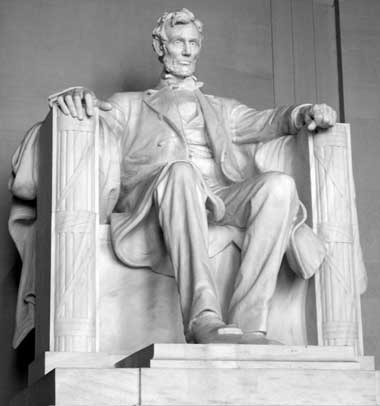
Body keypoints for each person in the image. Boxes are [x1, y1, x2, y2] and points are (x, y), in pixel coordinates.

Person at [35, 9, 337, 344]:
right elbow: (95, 117)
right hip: (158, 198)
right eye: (179, 42)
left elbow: (268, 121)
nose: (188, 50)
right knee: (181, 172)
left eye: (193, 43)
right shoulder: (130, 104)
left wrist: (303, 114)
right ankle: (202, 318)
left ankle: (250, 325)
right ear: (160, 46)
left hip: (219, 196)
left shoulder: (222, 107)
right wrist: (78, 96)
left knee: (279, 186)